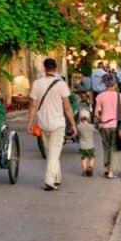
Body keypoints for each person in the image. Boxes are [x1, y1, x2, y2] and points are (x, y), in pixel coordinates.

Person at [28, 58, 77, 191]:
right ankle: (50, 181)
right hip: (58, 124)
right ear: (55, 69)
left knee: (51, 152)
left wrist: (30, 122)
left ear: (44, 68)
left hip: (43, 123)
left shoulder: (37, 83)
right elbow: (67, 107)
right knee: (54, 153)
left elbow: (33, 105)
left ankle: (57, 177)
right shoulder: (61, 84)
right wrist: (73, 124)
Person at [94, 74, 121, 179]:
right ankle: (111, 172)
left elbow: (96, 113)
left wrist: (101, 118)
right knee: (114, 148)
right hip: (116, 125)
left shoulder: (100, 96)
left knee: (106, 147)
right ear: (115, 84)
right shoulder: (119, 96)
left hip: (104, 125)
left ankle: (107, 169)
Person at [77, 109, 96, 177]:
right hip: (91, 146)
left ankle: (84, 171)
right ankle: (90, 167)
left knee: (84, 159)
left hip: (83, 146)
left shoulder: (79, 126)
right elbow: (95, 132)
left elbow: (78, 134)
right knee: (92, 157)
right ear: (88, 118)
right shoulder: (92, 126)